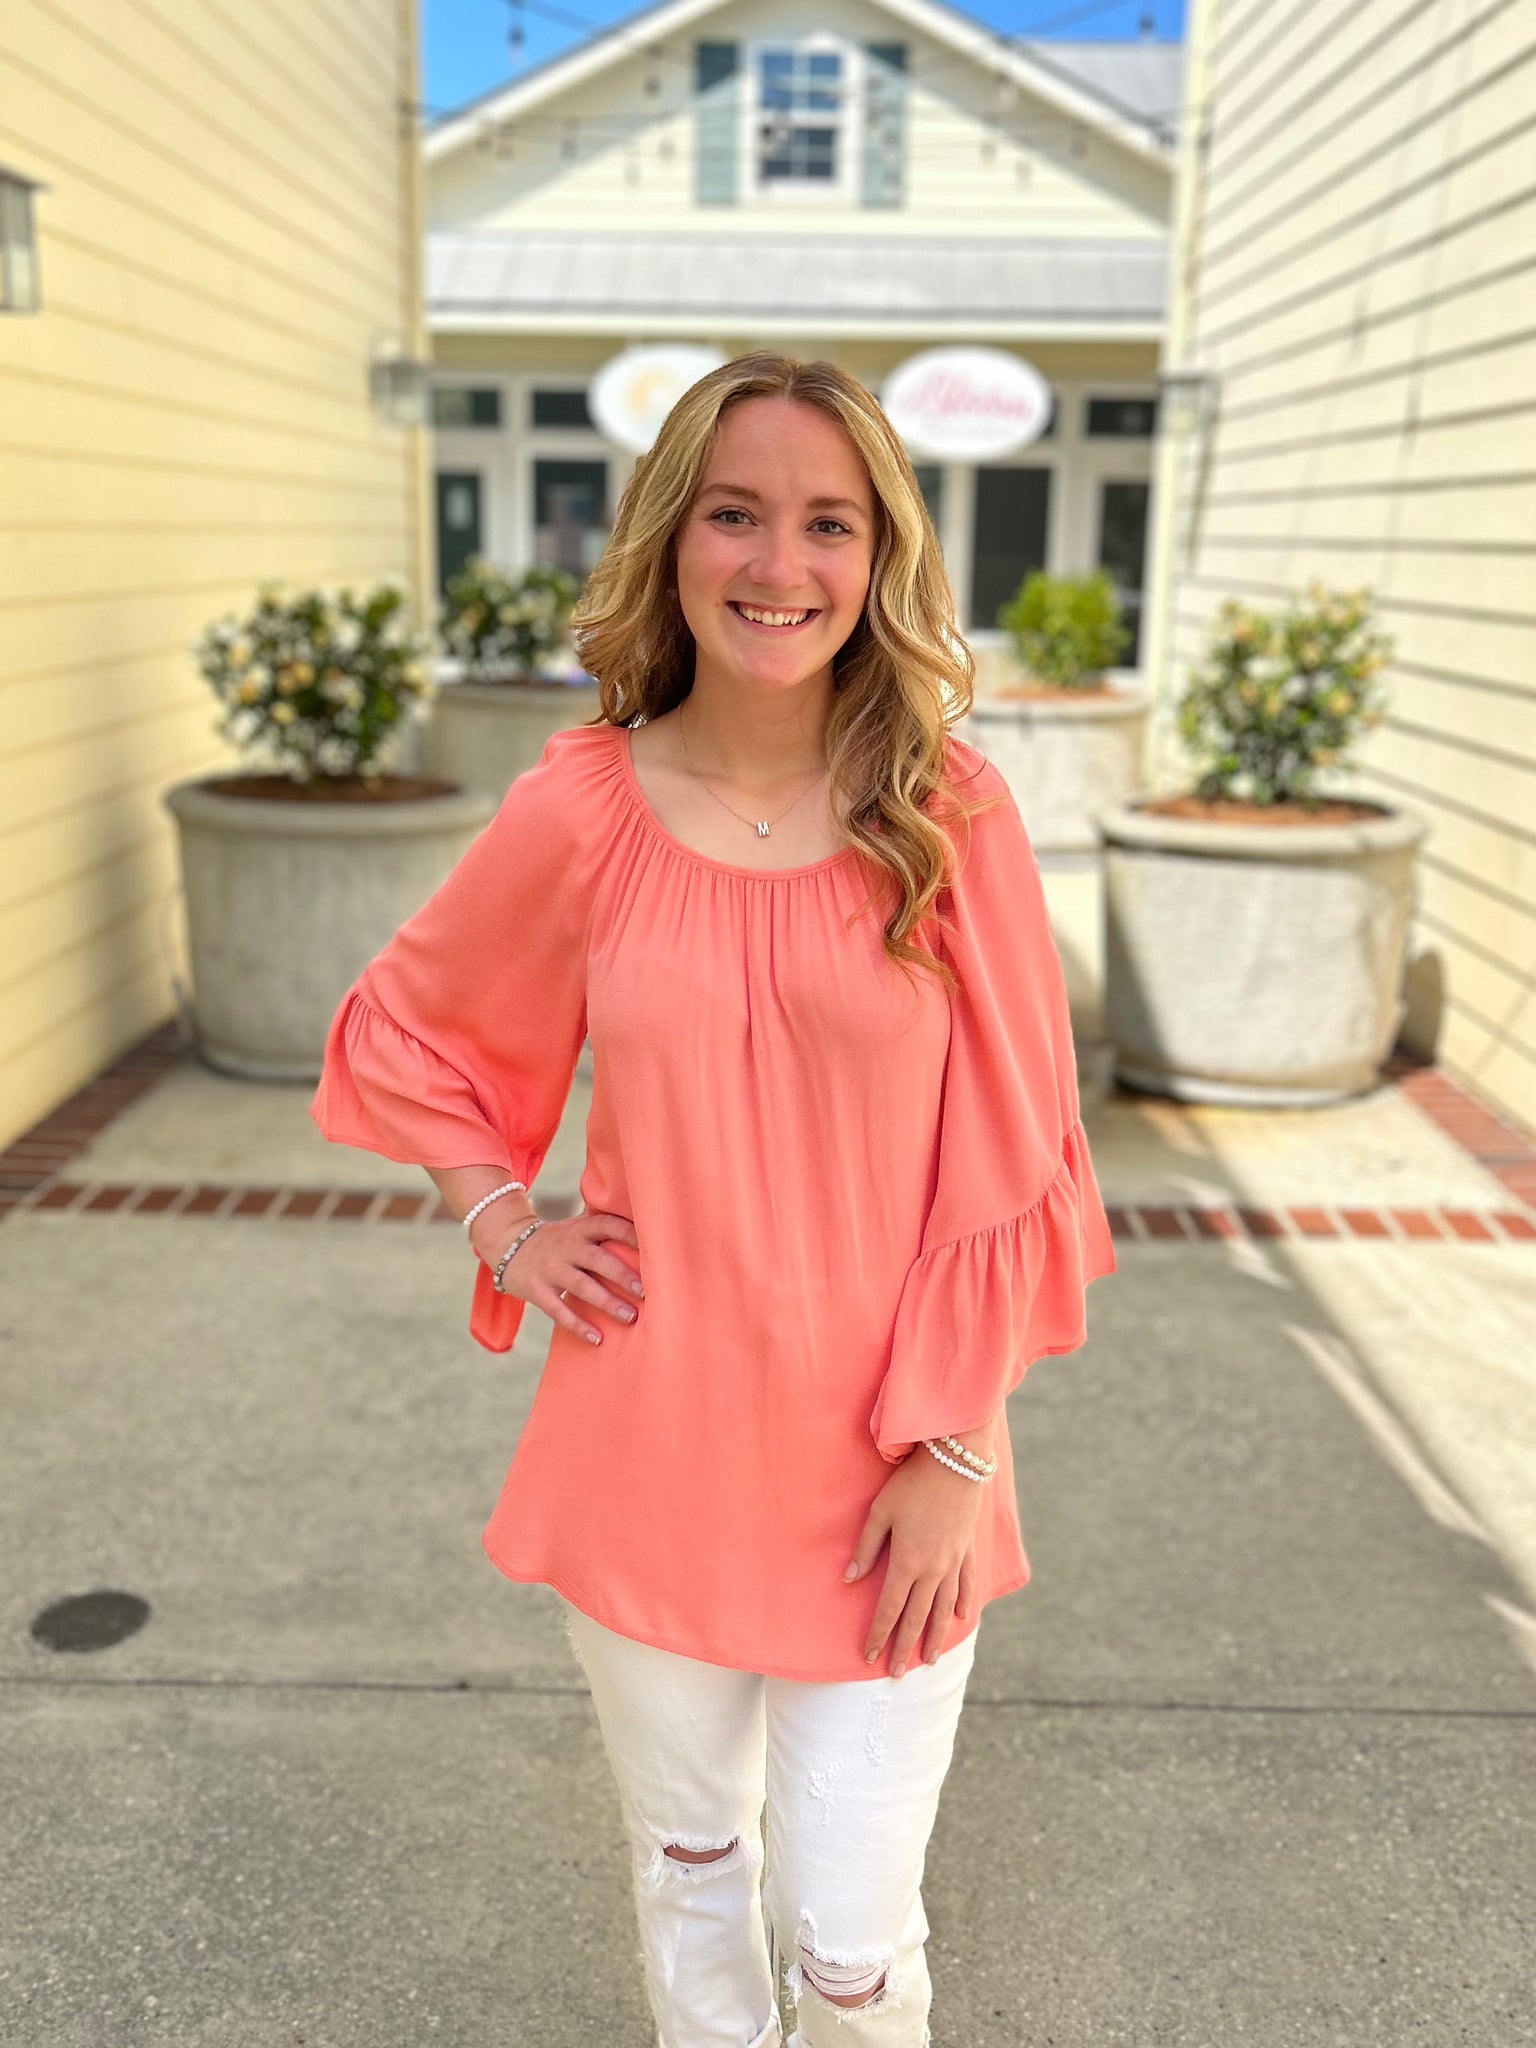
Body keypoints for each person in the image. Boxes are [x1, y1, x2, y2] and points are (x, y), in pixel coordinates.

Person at [310, 351, 1116, 2048]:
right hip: (650, 1447)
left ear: (877, 559)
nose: (780, 563)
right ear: (675, 540)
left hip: (897, 1469)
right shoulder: (582, 808)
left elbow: (1029, 1161)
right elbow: (410, 1029)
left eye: (829, 523)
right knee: (689, 1865)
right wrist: (503, 1222)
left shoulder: (950, 816)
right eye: (737, 514)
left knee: (849, 1937)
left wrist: (956, 1449)